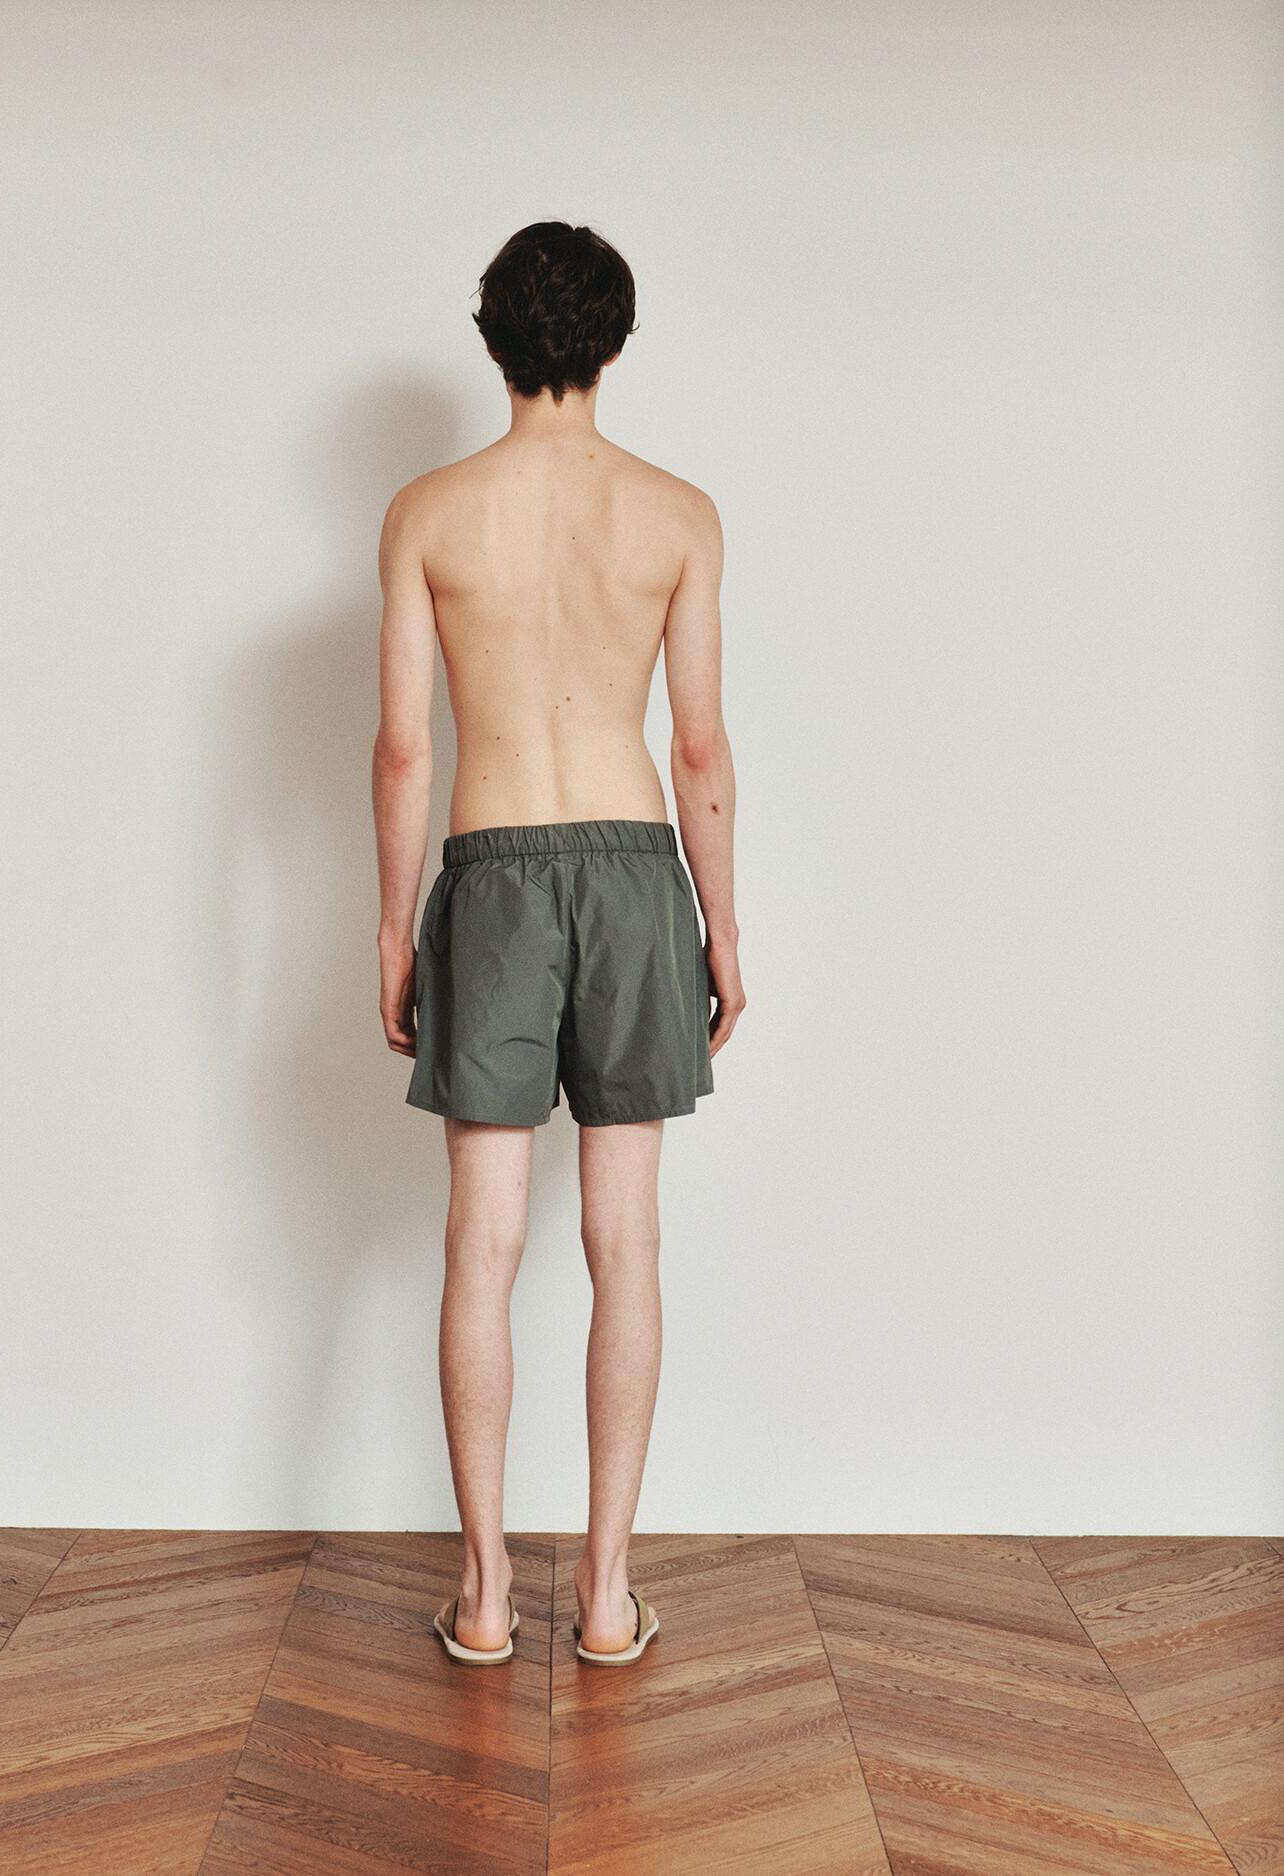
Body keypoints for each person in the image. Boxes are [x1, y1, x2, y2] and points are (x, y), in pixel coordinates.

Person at [372, 221, 743, 1665]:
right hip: (639, 873)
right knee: (623, 1239)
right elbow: (699, 747)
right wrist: (723, 926)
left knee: (482, 1241)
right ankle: (602, 1594)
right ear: (614, 339)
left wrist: (394, 930)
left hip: (492, 871)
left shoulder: (427, 513)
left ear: (495, 339)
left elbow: (406, 750)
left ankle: (482, 1598)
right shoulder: (678, 515)